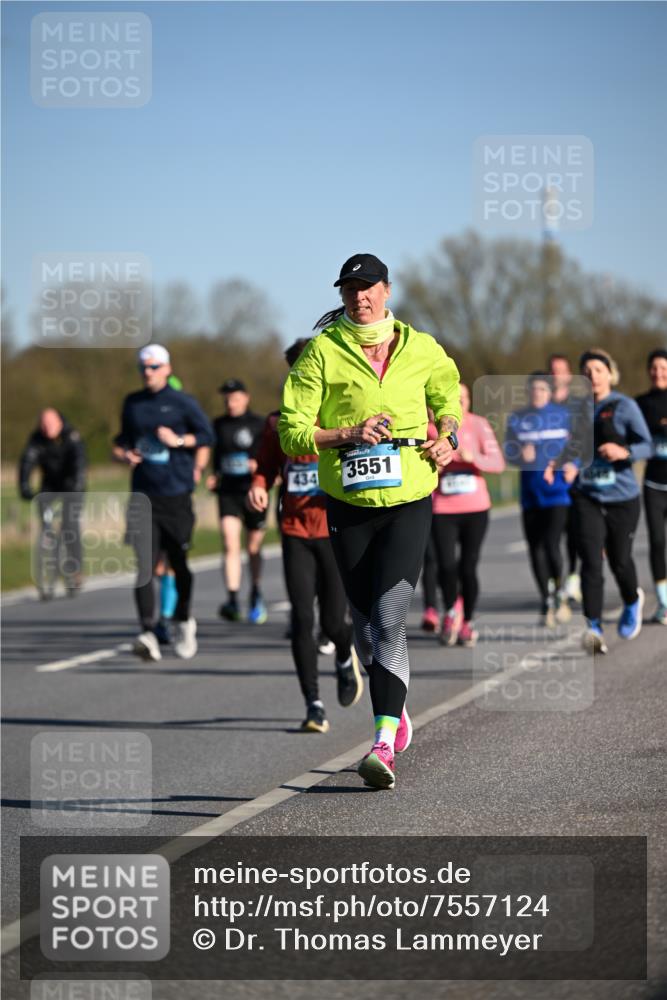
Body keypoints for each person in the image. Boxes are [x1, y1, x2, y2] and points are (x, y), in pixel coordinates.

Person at [279, 253, 461, 789]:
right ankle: (393, 701)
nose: (359, 297)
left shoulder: (422, 347)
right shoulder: (321, 353)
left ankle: (381, 743)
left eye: (367, 287)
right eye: (349, 289)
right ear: (341, 296)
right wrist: (346, 434)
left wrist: (448, 435)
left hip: (409, 495)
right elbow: (292, 431)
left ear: (386, 289)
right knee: (364, 623)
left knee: (388, 612)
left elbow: (447, 397)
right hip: (349, 502)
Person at [248, 337, 363, 733]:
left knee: (333, 621)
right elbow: (265, 463)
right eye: (297, 371)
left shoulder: (341, 419)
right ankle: (313, 704)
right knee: (301, 618)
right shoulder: (277, 422)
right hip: (295, 530)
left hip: (332, 530)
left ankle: (345, 658)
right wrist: (260, 483)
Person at [112, 343, 213, 661]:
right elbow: (120, 441)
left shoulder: (183, 402)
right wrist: (124, 454)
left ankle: (184, 619)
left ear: (167, 369)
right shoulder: (133, 403)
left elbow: (207, 436)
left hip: (177, 495)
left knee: (179, 564)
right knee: (144, 567)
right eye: (143, 367)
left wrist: (180, 441)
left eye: (154, 367)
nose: (148, 372)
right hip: (143, 495)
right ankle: (147, 631)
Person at [564, 348, 652, 654]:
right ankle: (594, 627)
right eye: (586, 371)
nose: (592, 376)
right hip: (587, 496)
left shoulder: (624, 406)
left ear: (609, 373)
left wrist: (623, 452)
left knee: (620, 559)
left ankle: (631, 599)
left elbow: (647, 445)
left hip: (622, 498)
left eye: (597, 370)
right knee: (590, 559)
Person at [430, 382, 505, 646]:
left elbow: (498, 463)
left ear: (470, 401)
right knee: (446, 565)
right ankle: (451, 611)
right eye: (455, 398)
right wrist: (435, 467)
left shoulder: (479, 424)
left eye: (464, 398)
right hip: (442, 509)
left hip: (475, 508)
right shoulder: (431, 428)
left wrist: (474, 458)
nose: (460, 402)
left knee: (468, 567)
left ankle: (469, 622)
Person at [505, 372, 574, 628]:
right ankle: (546, 600)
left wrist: (573, 465)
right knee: (535, 549)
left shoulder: (563, 416)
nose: (538, 394)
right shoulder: (517, 419)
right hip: (530, 495)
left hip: (558, 493)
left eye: (543, 390)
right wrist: (519, 454)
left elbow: (576, 447)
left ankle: (560, 592)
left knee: (552, 544)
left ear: (550, 391)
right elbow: (508, 452)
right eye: (534, 390)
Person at [208, 379, 267, 624]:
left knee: (252, 547)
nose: (229, 402)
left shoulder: (259, 424)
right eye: (226, 397)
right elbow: (215, 453)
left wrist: (259, 467)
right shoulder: (218, 425)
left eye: (234, 397)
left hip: (253, 491)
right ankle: (232, 598)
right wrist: (213, 473)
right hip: (228, 491)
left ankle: (255, 591)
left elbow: (269, 454)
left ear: (246, 397)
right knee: (229, 542)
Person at [19, 408, 87, 598]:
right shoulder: (36, 439)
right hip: (49, 486)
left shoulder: (71, 436)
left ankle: (75, 570)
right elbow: (27, 461)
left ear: (59, 423)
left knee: (70, 526)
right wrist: (24, 486)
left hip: (72, 485)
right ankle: (48, 570)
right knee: (47, 524)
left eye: (49, 424)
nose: (46, 428)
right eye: (43, 424)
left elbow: (80, 462)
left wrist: (77, 484)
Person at [547, 353, 582, 606]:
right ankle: (554, 579)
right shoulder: (542, 405)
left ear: (569, 375)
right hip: (549, 478)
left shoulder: (578, 405)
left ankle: (572, 575)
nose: (557, 374)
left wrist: (576, 464)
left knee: (574, 532)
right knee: (551, 534)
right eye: (553, 370)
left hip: (573, 476)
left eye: (561, 370)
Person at [635, 348, 667, 625]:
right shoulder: (641, 403)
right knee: (657, 542)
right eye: (654, 367)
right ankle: (664, 602)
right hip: (654, 483)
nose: (658, 372)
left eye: (663, 367)